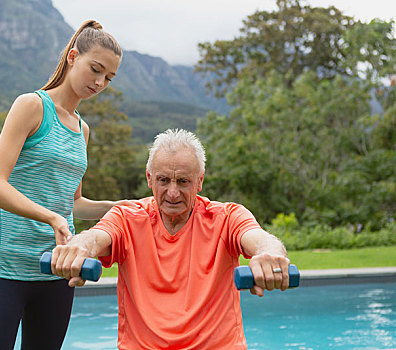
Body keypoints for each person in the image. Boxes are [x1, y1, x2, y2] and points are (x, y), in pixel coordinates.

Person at [0, 20, 131, 350]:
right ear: (72, 57)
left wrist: (115, 207)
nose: (100, 83)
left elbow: (74, 203)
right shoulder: (32, 106)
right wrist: (52, 218)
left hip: (57, 269)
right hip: (4, 268)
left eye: (108, 78)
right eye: (95, 69)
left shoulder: (82, 130)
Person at [51, 129, 292, 349]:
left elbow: (260, 239)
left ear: (200, 181)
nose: (173, 192)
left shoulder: (227, 217)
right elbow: (95, 238)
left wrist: (270, 254)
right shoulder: (126, 217)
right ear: (149, 179)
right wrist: (79, 247)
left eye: (183, 181)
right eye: (164, 180)